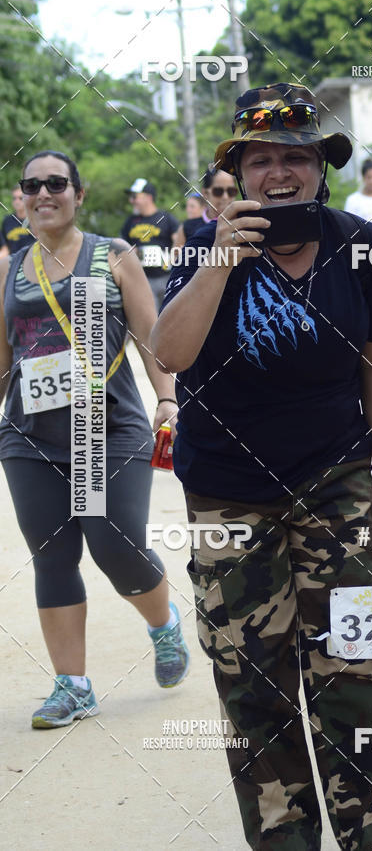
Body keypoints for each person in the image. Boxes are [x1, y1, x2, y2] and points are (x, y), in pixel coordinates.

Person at [152, 83, 372, 851]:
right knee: (252, 683)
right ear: (240, 171)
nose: (280, 172)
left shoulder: (359, 243)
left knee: (359, 672)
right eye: (261, 159)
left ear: (320, 167)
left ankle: (371, 834)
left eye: (296, 155)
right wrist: (221, 264)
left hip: (339, 485)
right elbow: (168, 353)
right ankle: (283, 837)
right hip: (229, 498)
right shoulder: (203, 247)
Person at [0, 150, 190, 729]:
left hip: (106, 429)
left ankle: (163, 624)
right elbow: (3, 359)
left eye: (56, 183)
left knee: (115, 542)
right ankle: (73, 686)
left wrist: (166, 399)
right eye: (32, 185)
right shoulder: (10, 268)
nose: (43, 193)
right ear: (23, 199)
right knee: (52, 556)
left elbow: (151, 336)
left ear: (78, 194)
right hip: (30, 435)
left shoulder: (114, 256)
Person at [120, 178, 179, 311]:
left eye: (135, 197)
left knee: (167, 317)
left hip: (166, 278)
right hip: (142, 280)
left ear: (148, 197)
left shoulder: (165, 217)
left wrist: (173, 257)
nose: (131, 201)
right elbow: (121, 246)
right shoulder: (130, 221)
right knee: (149, 321)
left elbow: (179, 241)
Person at [173, 167, 238, 250]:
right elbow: (174, 261)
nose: (225, 197)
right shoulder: (187, 228)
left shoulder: (243, 224)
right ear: (205, 193)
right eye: (218, 191)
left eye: (231, 191)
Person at [1, 185, 35, 257]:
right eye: (14, 198)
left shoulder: (36, 219)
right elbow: (5, 249)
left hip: (33, 260)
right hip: (13, 262)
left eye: (20, 198)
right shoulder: (7, 221)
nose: (17, 201)